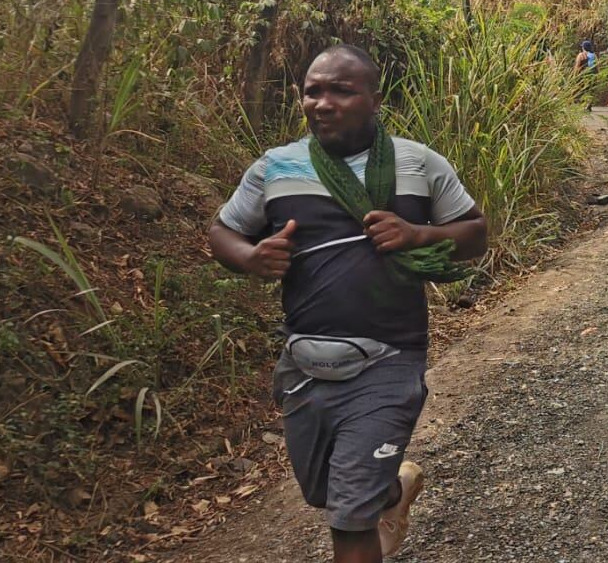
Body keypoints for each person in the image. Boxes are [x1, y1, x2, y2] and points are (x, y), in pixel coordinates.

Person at [208, 45, 489, 563]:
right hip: (306, 363)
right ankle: (393, 493)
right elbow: (223, 230)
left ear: (375, 99)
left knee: (349, 518)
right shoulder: (275, 168)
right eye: (313, 91)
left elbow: (475, 234)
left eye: (341, 90)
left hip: (390, 358)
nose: (323, 102)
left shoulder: (418, 163)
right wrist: (249, 257)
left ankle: (372, 501)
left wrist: (418, 234)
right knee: (327, 493)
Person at [573, 40, 598, 113]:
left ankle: (581, 105)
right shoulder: (594, 55)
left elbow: (577, 66)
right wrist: (597, 74)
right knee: (590, 90)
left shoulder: (581, 55)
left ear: (583, 47)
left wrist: (574, 75)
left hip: (584, 75)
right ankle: (589, 104)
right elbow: (597, 65)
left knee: (581, 90)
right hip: (593, 74)